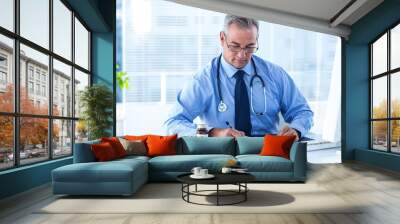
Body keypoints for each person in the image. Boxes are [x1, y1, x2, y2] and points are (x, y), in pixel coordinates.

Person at [164, 15, 313, 140]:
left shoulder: (275, 74)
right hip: (222, 154)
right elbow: (172, 123)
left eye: (250, 47)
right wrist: (212, 133)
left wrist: (296, 130)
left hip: (266, 154)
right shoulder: (203, 80)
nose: (242, 55)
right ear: (222, 38)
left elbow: (302, 112)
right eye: (235, 46)